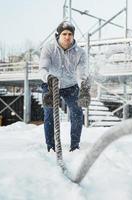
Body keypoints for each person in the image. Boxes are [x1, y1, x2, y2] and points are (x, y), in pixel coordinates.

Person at [39, 21, 91, 152]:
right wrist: (48, 77)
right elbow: (43, 69)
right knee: (49, 113)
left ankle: (75, 146)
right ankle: (50, 146)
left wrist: (84, 86)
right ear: (58, 35)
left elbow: (81, 73)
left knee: (77, 113)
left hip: (71, 86)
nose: (67, 37)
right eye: (64, 34)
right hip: (50, 84)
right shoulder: (49, 48)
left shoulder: (80, 53)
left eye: (70, 34)